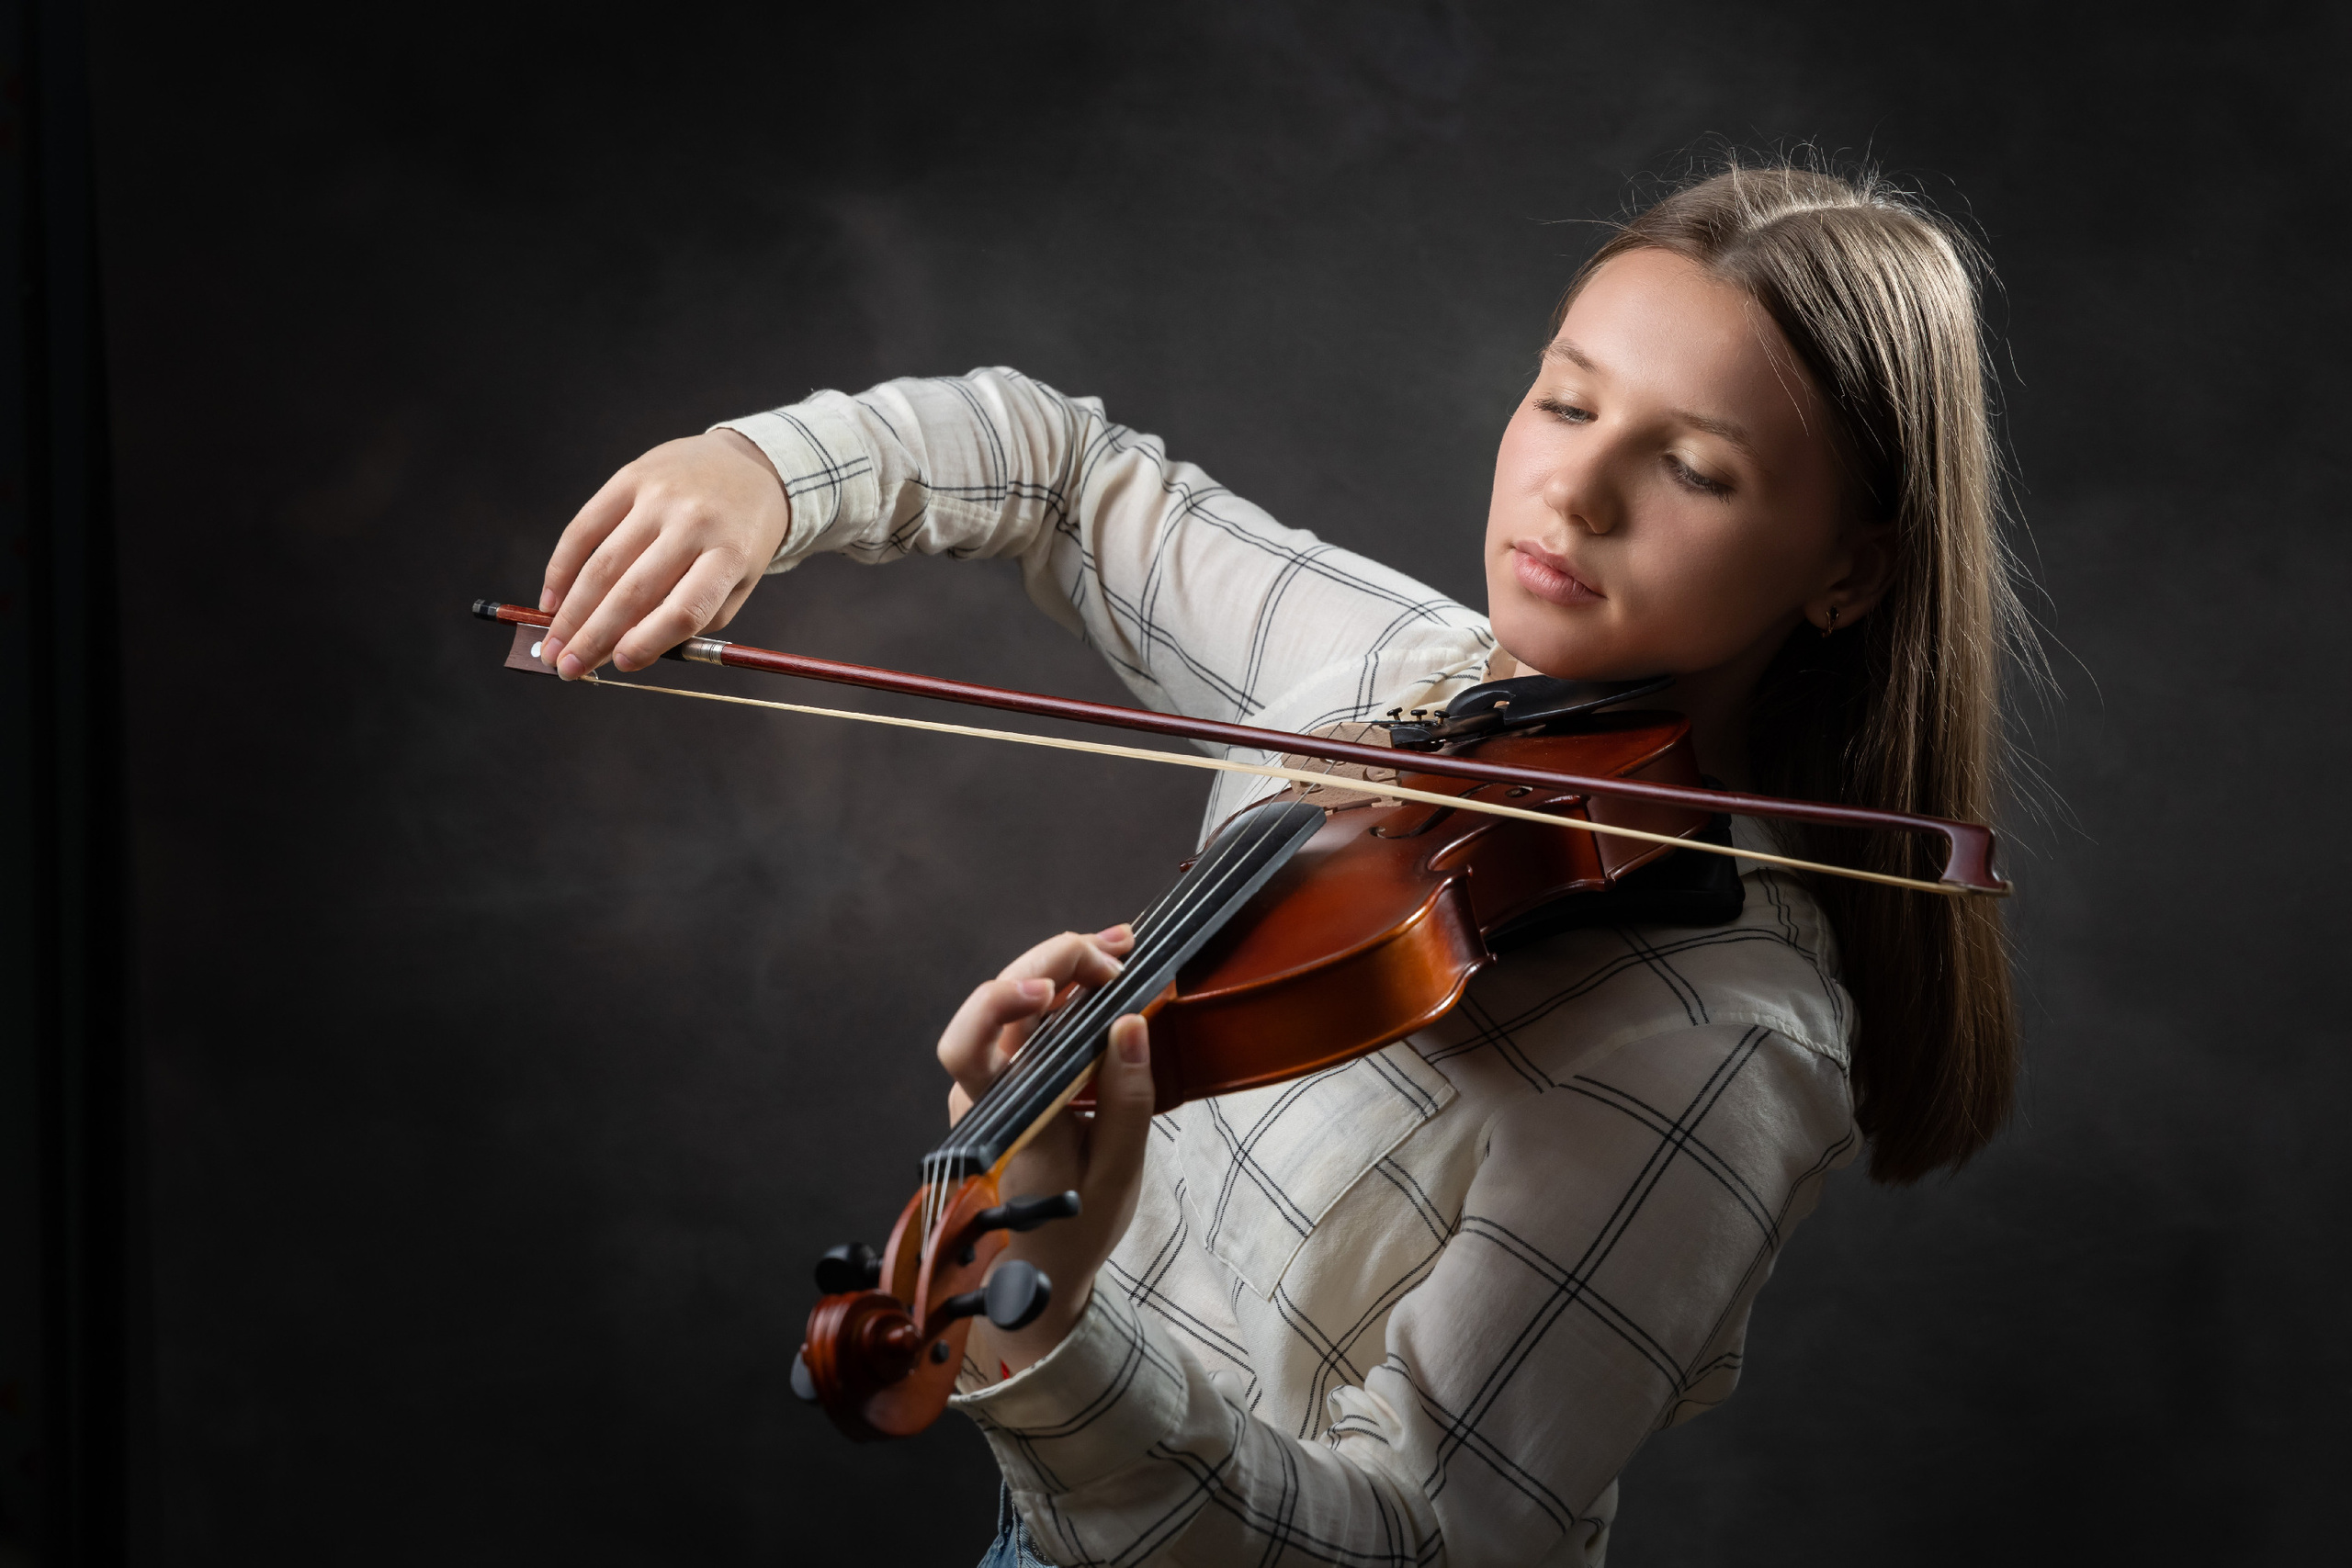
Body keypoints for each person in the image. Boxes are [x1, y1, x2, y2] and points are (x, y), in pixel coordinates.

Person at [532, 162, 2030, 1566]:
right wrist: (760, 473)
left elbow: (1419, 1538)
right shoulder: (1393, 674)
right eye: (1566, 402)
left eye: (1692, 468)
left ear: (1849, 571)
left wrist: (1049, 1331)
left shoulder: (1717, 1043)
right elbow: (1065, 476)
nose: (1576, 492)